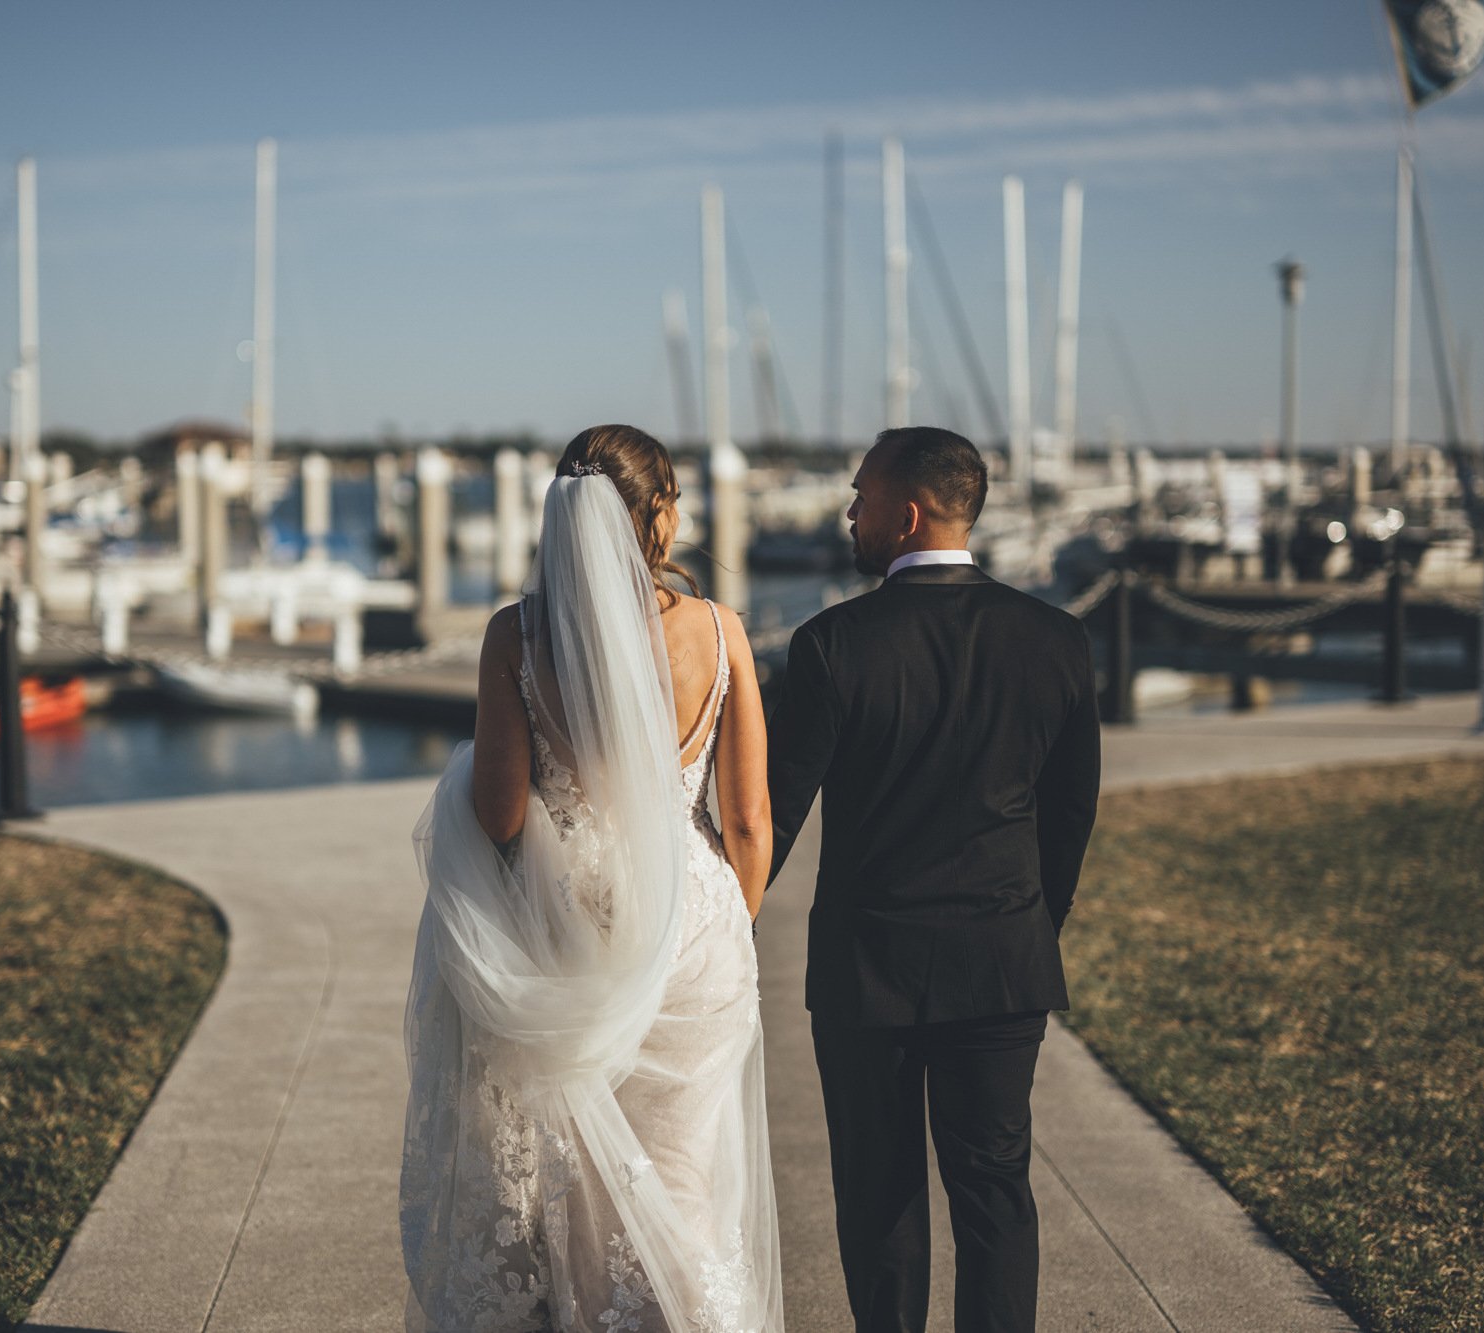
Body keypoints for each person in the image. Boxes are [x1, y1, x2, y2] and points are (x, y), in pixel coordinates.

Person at [401, 424, 784, 1333]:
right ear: (654, 515)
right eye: (677, 497)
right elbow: (748, 819)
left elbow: (500, 814)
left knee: (567, 1184)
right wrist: (724, 918)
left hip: (562, 925)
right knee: (685, 1182)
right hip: (688, 930)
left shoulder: (514, 637)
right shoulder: (719, 633)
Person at [765, 427, 1100, 1333]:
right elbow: (1070, 815)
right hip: (1002, 959)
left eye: (860, 494)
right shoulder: (1058, 640)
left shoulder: (832, 644)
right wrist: (1032, 921)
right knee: (995, 1192)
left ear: (905, 514)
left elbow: (777, 814)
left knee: (877, 1198)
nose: (848, 510)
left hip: (867, 970)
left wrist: (722, 919)